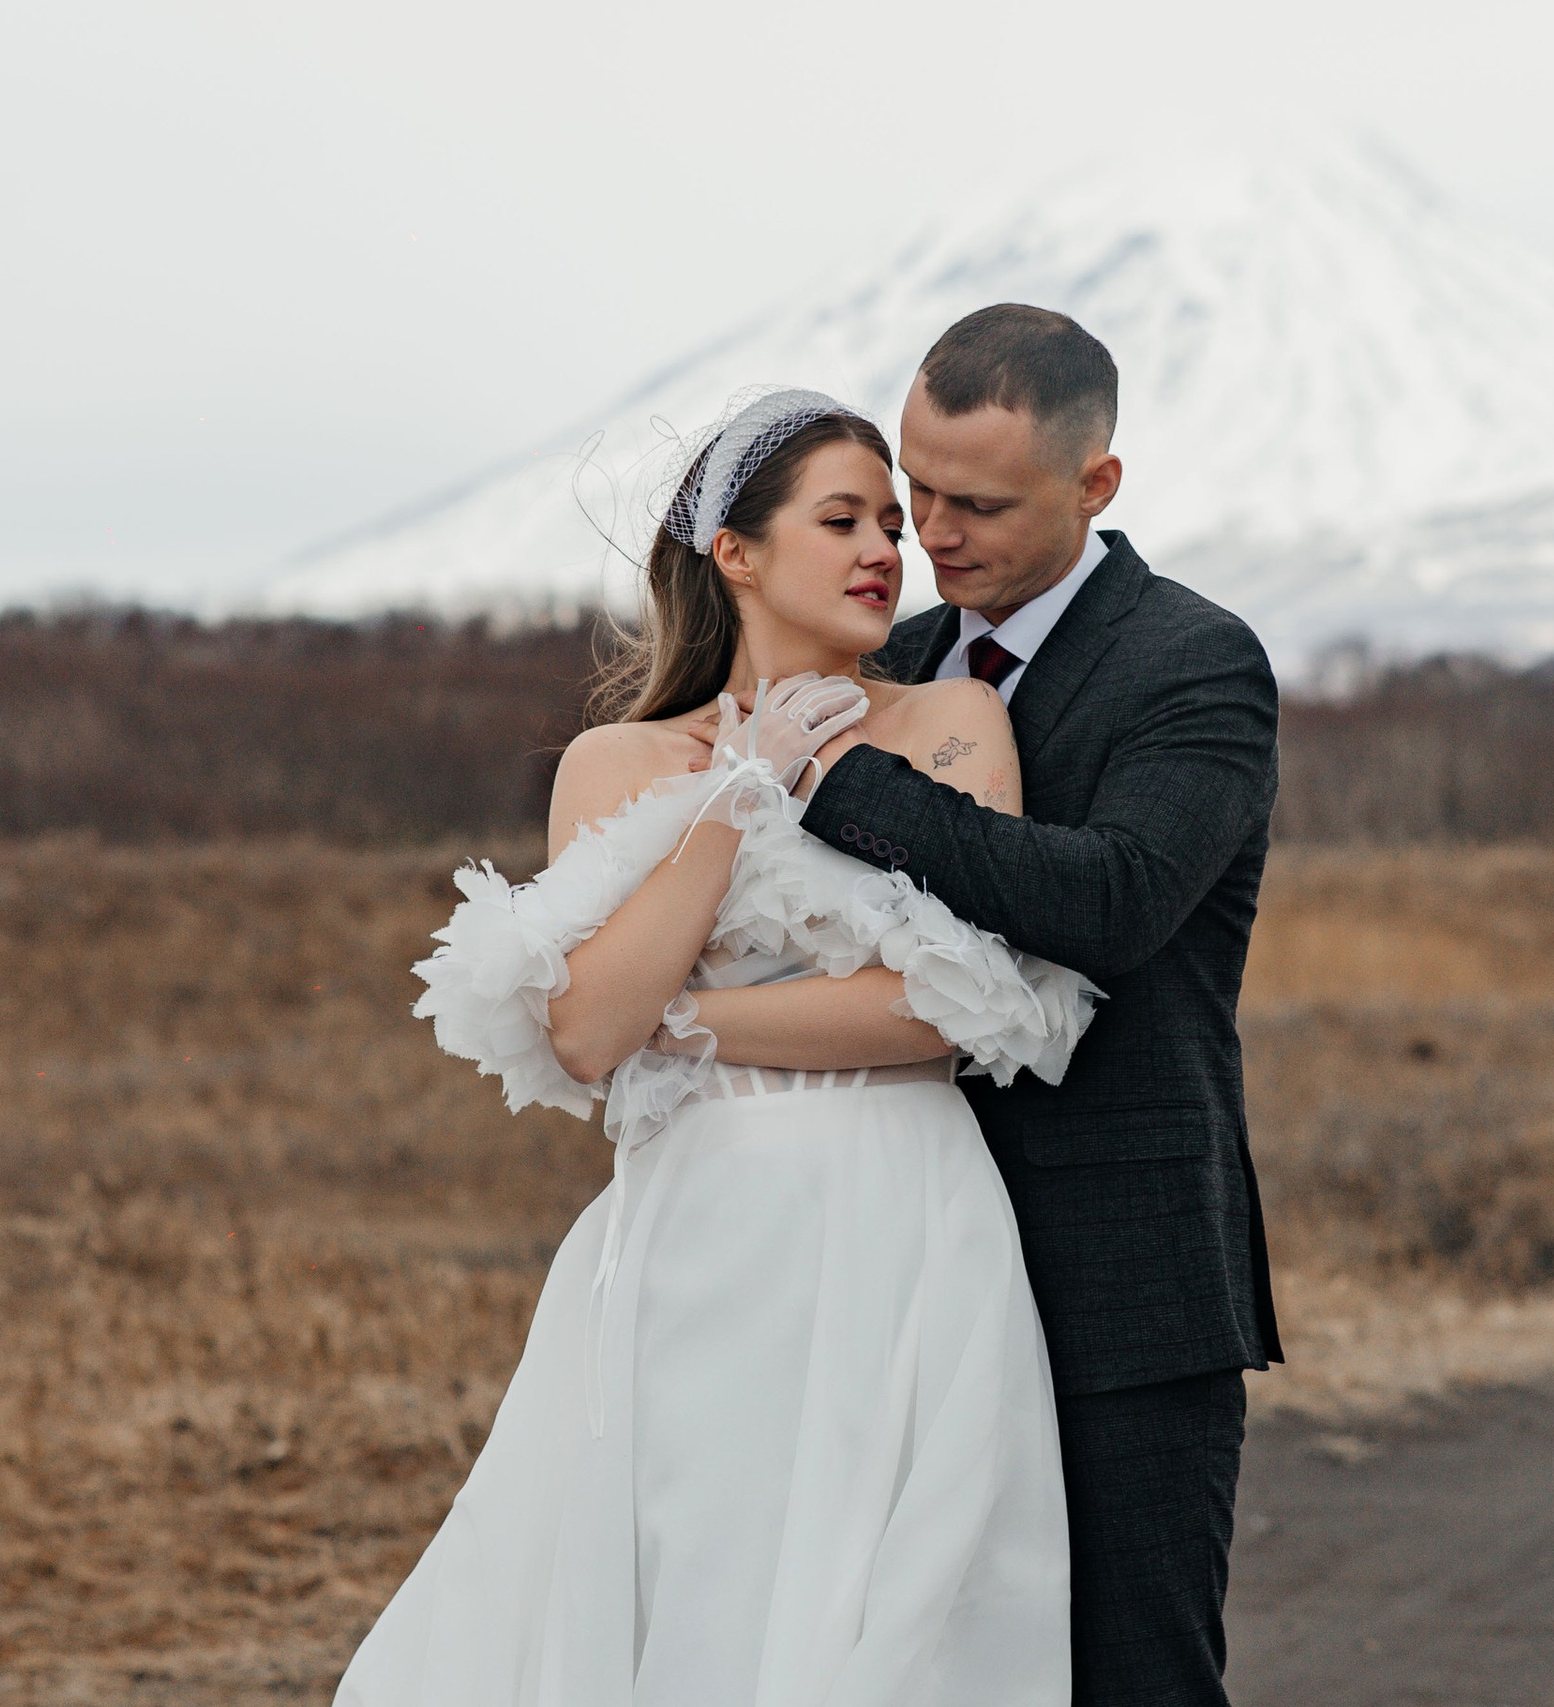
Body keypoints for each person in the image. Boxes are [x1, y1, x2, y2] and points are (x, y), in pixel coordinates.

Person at [332, 389, 1097, 1705]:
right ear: (734, 551)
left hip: (905, 1215)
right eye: (841, 519)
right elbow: (581, 1031)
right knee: (700, 1582)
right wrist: (738, 800)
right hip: (701, 1227)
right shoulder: (617, 761)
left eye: (891, 529)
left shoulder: (954, 727)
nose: (883, 553)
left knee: (904, 1601)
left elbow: (948, 1009)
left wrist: (686, 1021)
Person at [797, 304, 1282, 1707]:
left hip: (1116, 1273)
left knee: (1134, 1673)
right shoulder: (887, 659)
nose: (929, 535)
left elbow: (1121, 899)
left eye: (979, 504)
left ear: (1097, 485)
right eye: (915, 490)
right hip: (890, 1260)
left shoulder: (1195, 661)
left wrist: (853, 789)